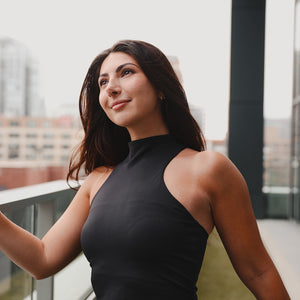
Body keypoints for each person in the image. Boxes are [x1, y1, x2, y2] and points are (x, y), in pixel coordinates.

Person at [0, 40, 290, 300]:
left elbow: (258, 272)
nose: (111, 87)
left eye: (126, 72)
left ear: (161, 86)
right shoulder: (98, 179)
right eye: (102, 82)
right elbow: (42, 259)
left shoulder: (208, 169)